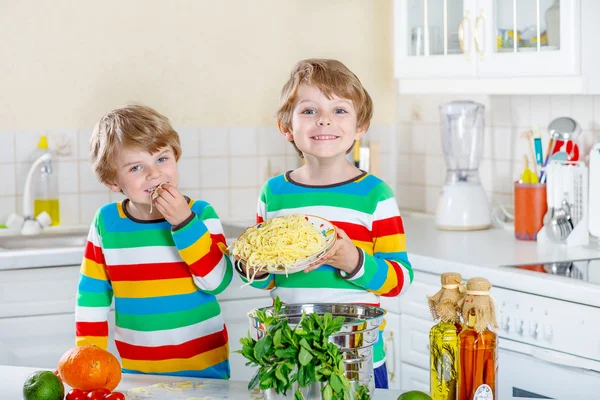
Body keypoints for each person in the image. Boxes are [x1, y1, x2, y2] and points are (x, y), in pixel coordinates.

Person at [236, 59, 413, 389]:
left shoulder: (375, 195)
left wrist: (354, 262)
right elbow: (268, 282)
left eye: (340, 110)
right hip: (289, 356)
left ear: (361, 126)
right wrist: (249, 267)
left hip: (355, 358)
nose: (324, 120)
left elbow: (399, 279)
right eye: (309, 111)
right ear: (286, 127)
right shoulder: (273, 193)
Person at [75, 104, 233, 379]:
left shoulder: (201, 214)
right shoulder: (107, 223)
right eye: (136, 167)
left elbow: (218, 281)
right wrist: (89, 357)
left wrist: (184, 224)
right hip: (138, 372)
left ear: (176, 156)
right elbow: (92, 297)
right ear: (114, 181)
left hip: (204, 368)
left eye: (162, 159)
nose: (154, 174)